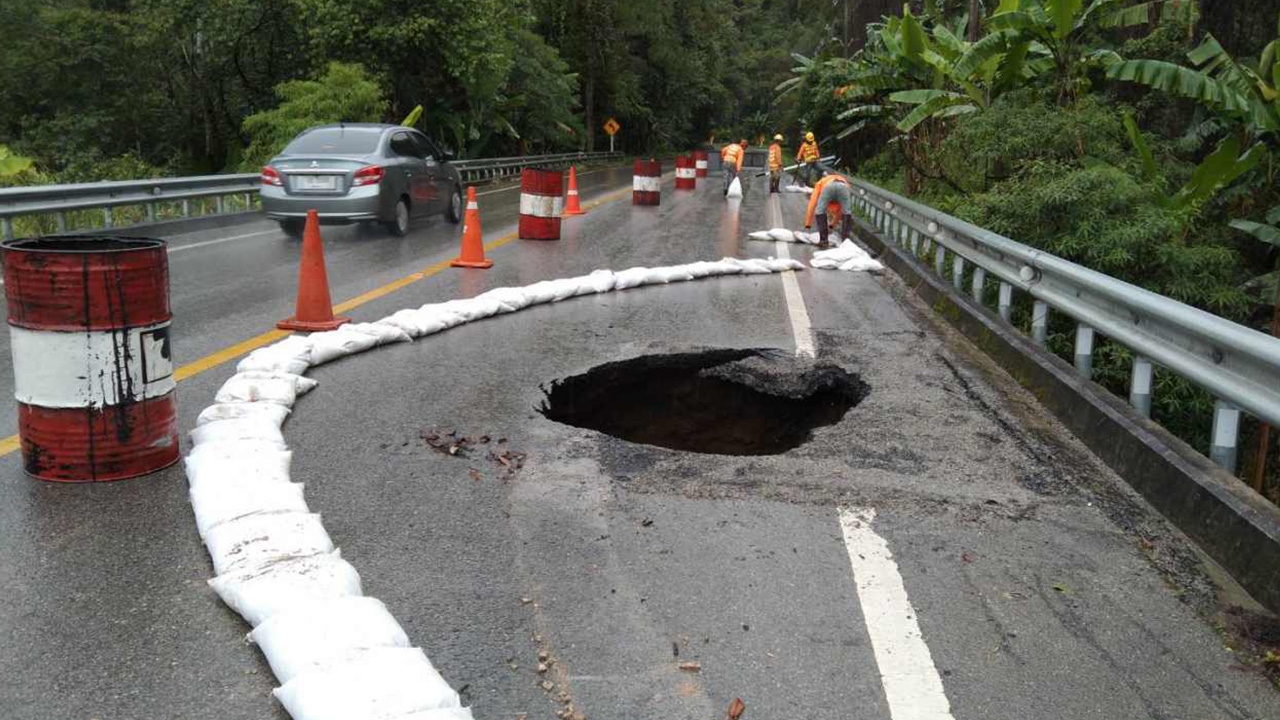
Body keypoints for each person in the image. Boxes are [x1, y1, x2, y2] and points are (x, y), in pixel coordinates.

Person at [804, 171, 853, 248]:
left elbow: (812, 203)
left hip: (828, 187)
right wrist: (832, 225)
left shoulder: (821, 182)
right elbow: (841, 212)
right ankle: (846, 242)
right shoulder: (841, 179)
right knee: (847, 212)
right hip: (844, 186)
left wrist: (808, 224)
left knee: (820, 211)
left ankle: (824, 241)